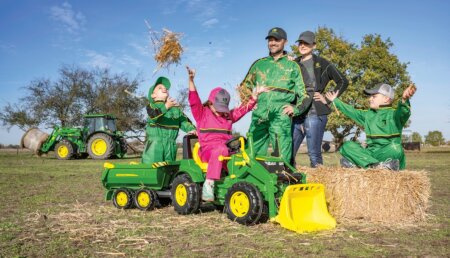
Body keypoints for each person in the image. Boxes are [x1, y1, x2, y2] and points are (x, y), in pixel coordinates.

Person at [187, 66, 266, 201]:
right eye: (218, 108)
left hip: (228, 150)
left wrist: (254, 97)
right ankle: (209, 183)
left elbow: (241, 110)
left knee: (246, 155)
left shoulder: (227, 116)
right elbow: (194, 101)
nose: (221, 111)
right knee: (221, 149)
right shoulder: (202, 114)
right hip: (207, 151)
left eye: (223, 108)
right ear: (210, 103)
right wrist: (191, 80)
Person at [240, 27, 307, 164]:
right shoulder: (259, 64)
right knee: (250, 152)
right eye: (270, 40)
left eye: (276, 40)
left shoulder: (293, 66)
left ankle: (281, 180)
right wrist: (249, 102)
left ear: (285, 42)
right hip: (259, 114)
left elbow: (304, 94)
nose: (273, 43)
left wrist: (296, 109)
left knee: (281, 156)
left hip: (280, 115)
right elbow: (244, 87)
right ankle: (248, 183)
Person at [325, 83, 417, 171]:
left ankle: (359, 164)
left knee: (396, 148)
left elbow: (403, 112)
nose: (370, 99)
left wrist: (404, 100)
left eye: (374, 96)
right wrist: (335, 100)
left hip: (387, 153)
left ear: (386, 99)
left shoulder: (394, 114)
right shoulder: (367, 115)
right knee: (346, 146)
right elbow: (351, 111)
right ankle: (376, 166)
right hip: (370, 154)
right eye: (370, 96)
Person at [291, 30, 349, 167]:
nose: (303, 45)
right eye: (301, 43)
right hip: (296, 114)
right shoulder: (293, 63)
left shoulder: (322, 63)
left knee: (313, 153)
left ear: (314, 45)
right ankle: (292, 182)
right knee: (288, 152)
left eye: (307, 43)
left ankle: (319, 186)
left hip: (314, 113)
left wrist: (327, 99)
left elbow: (343, 81)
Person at [142, 76, 196, 164]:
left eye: (166, 88)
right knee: (153, 169)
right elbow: (153, 116)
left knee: (170, 169)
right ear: (153, 95)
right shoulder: (152, 106)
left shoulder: (175, 109)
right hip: (155, 145)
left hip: (171, 145)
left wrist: (191, 129)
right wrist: (166, 106)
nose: (164, 89)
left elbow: (183, 121)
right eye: (160, 88)